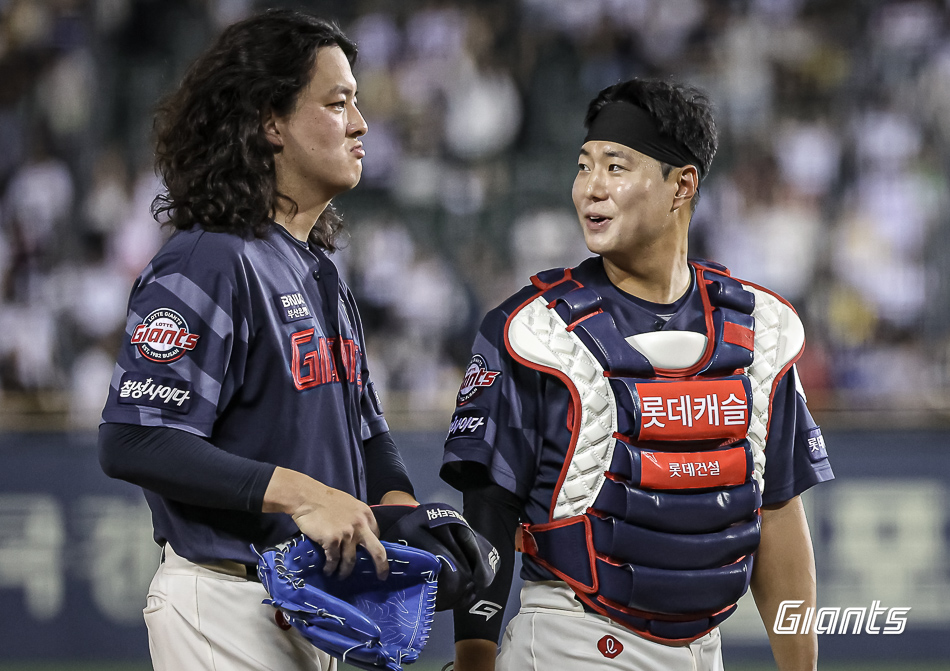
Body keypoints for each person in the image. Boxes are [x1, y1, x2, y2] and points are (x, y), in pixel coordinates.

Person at [441, 78, 834, 671]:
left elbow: (778, 513)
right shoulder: (532, 331)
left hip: (704, 653)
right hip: (572, 643)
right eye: (583, 166)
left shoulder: (760, 333)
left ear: (682, 186)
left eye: (616, 166)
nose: (590, 188)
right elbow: (488, 511)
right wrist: (475, 660)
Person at [98, 10, 418, 670]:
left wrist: (400, 511)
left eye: (356, 103)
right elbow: (134, 437)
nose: (360, 124)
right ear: (270, 121)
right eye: (337, 103)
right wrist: (304, 494)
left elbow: (368, 436)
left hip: (315, 609)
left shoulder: (321, 272)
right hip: (225, 602)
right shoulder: (208, 260)